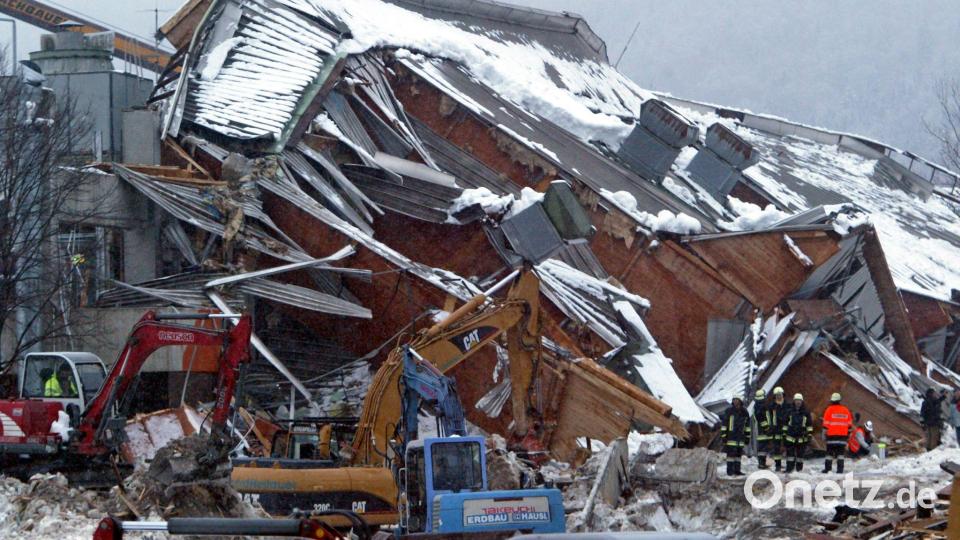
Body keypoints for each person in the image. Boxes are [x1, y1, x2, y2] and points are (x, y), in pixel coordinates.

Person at [719, 394, 751, 476]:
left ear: (740, 401)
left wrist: (747, 437)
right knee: (730, 456)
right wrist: (724, 436)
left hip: (740, 437)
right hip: (731, 437)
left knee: (738, 456)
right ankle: (729, 471)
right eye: (734, 399)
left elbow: (747, 426)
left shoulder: (744, 412)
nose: (735, 401)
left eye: (737, 399)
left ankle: (737, 470)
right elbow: (724, 424)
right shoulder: (729, 411)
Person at [822, 392, 853, 473]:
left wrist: (824, 435)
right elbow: (849, 425)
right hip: (842, 437)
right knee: (840, 455)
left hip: (831, 436)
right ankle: (840, 470)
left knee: (829, 454)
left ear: (832, 401)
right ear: (840, 400)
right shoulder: (846, 410)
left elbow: (825, 425)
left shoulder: (829, 410)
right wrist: (848, 435)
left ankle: (827, 469)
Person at [783, 393, 812, 472]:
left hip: (802, 438)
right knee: (790, 456)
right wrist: (784, 434)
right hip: (790, 437)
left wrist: (809, 434)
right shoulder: (789, 412)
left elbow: (809, 425)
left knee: (800, 456)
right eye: (796, 400)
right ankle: (789, 469)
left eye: (799, 400)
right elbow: (785, 424)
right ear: (794, 401)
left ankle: (799, 470)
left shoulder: (806, 413)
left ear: (802, 401)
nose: (798, 402)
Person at [768, 387, 789, 471]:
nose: (778, 396)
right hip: (776, 430)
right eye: (777, 395)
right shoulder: (772, 406)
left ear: (782, 395)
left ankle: (789, 465)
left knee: (788, 447)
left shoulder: (787, 405)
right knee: (777, 448)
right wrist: (770, 428)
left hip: (786, 430)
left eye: (780, 395)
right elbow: (769, 418)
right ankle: (778, 465)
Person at [752, 389, 771, 469]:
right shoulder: (761, 406)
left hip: (761, 430)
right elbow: (762, 419)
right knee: (763, 448)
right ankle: (761, 464)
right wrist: (767, 428)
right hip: (763, 430)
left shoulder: (757, 406)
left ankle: (762, 463)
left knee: (762, 447)